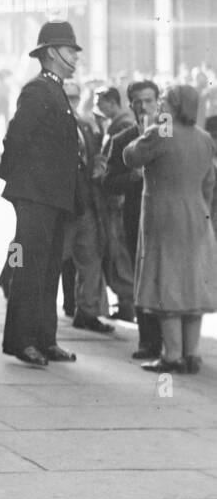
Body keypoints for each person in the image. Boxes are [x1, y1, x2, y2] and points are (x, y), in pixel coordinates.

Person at [0, 22, 83, 368]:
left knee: (49, 270)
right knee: (30, 267)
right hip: (37, 197)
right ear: (51, 53)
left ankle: (45, 339)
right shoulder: (38, 90)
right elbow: (17, 136)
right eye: (69, 49)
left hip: (53, 196)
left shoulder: (55, 90)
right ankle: (22, 341)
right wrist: (14, 178)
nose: (75, 55)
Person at [125, 84, 217, 374]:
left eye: (164, 100)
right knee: (192, 288)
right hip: (197, 218)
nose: (161, 104)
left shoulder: (161, 131)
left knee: (167, 285)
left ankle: (172, 356)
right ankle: (191, 355)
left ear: (175, 106)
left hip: (165, 220)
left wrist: (145, 129)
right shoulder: (204, 139)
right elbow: (209, 184)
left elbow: (131, 156)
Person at [104, 81, 163, 360]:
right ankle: (148, 341)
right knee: (141, 279)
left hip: (166, 220)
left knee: (166, 277)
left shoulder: (170, 134)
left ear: (159, 102)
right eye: (137, 102)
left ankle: (171, 340)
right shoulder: (122, 140)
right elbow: (108, 181)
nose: (143, 107)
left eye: (148, 100)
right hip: (136, 218)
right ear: (130, 105)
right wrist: (133, 177)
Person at [62, 81, 114, 335]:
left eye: (75, 97)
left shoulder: (84, 125)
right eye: (67, 97)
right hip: (64, 207)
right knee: (50, 260)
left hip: (87, 205)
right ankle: (33, 311)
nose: (71, 102)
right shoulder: (52, 126)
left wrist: (98, 166)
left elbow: (92, 159)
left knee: (90, 260)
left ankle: (88, 312)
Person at [94, 87, 137, 322]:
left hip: (116, 201)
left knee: (119, 252)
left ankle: (127, 303)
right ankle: (125, 302)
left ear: (111, 102)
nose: (99, 109)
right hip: (115, 199)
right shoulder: (118, 124)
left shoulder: (121, 126)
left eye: (101, 103)